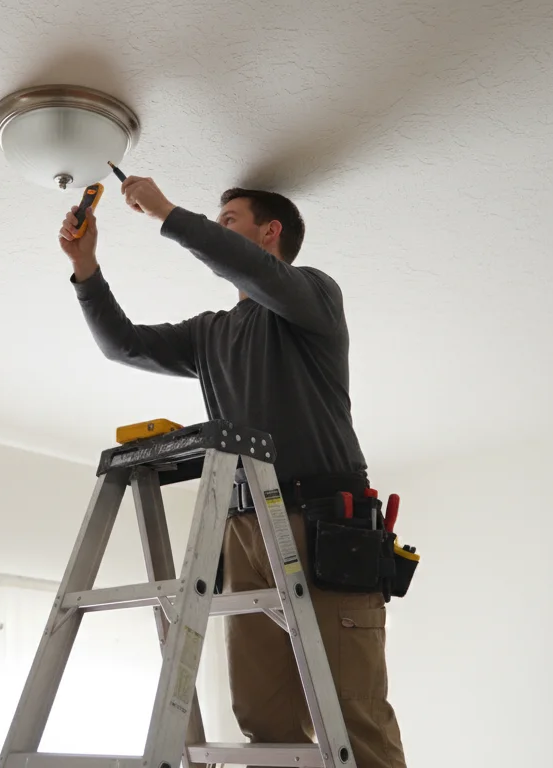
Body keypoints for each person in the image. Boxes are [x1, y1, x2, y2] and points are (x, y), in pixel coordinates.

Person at [57, 175, 407, 768]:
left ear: (270, 233)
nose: (219, 232)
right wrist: (86, 268)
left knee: (353, 713)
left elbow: (258, 274)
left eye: (229, 221)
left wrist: (167, 212)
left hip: (326, 520)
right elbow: (123, 345)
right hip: (247, 525)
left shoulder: (314, 298)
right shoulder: (211, 333)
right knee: (264, 718)